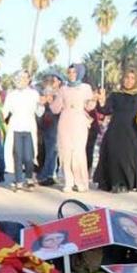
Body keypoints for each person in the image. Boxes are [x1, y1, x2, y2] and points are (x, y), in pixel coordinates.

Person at [94, 70, 137, 193]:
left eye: (132, 78)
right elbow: (105, 110)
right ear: (122, 79)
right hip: (116, 130)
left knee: (130, 157)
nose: (129, 80)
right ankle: (117, 183)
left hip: (134, 131)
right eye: (126, 77)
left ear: (136, 80)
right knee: (116, 156)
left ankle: (129, 183)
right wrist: (101, 101)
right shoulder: (115, 95)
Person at [51, 64, 94, 192]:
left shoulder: (86, 88)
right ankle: (68, 182)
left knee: (78, 151)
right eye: (69, 72)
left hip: (79, 120)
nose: (71, 75)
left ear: (79, 73)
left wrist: (94, 101)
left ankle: (81, 182)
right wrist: (50, 100)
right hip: (65, 120)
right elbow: (56, 109)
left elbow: (90, 106)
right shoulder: (63, 89)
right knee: (65, 152)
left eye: (74, 72)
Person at [2, 70, 44, 191]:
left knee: (29, 156)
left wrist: (41, 104)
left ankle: (29, 177)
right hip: (15, 127)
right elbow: (4, 112)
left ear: (29, 79)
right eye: (20, 78)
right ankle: (19, 180)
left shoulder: (34, 94)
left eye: (25, 78)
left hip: (29, 127)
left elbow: (39, 113)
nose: (22, 80)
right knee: (18, 155)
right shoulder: (11, 94)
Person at [38, 72, 63, 186]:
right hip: (47, 123)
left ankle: (49, 174)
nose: (53, 83)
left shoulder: (62, 93)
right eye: (51, 80)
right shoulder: (47, 91)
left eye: (55, 80)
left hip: (57, 122)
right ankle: (48, 174)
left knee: (53, 150)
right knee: (50, 150)